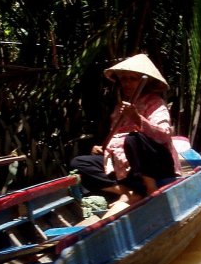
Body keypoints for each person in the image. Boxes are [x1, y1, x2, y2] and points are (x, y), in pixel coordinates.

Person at [70, 53, 182, 217]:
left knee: (133, 139)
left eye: (133, 79)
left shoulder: (155, 103)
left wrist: (137, 118)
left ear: (145, 82)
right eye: (124, 79)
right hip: (127, 165)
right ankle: (129, 191)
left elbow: (163, 135)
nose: (127, 83)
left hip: (155, 165)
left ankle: (151, 190)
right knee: (80, 163)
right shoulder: (120, 107)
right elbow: (116, 138)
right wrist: (104, 148)